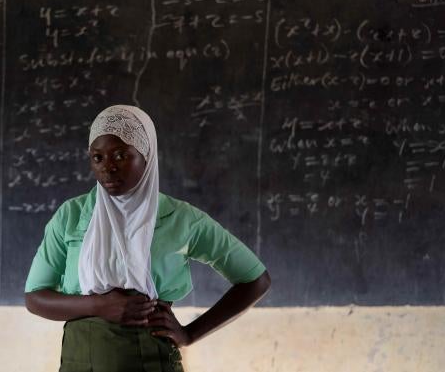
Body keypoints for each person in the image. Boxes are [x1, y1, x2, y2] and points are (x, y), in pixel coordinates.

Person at [24, 105, 271, 371]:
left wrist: (189, 334)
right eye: (98, 158)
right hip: (80, 362)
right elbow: (35, 297)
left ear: (147, 155)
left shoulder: (181, 218)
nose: (108, 168)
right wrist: (98, 305)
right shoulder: (71, 215)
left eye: (120, 155)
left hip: (151, 362)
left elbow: (255, 280)